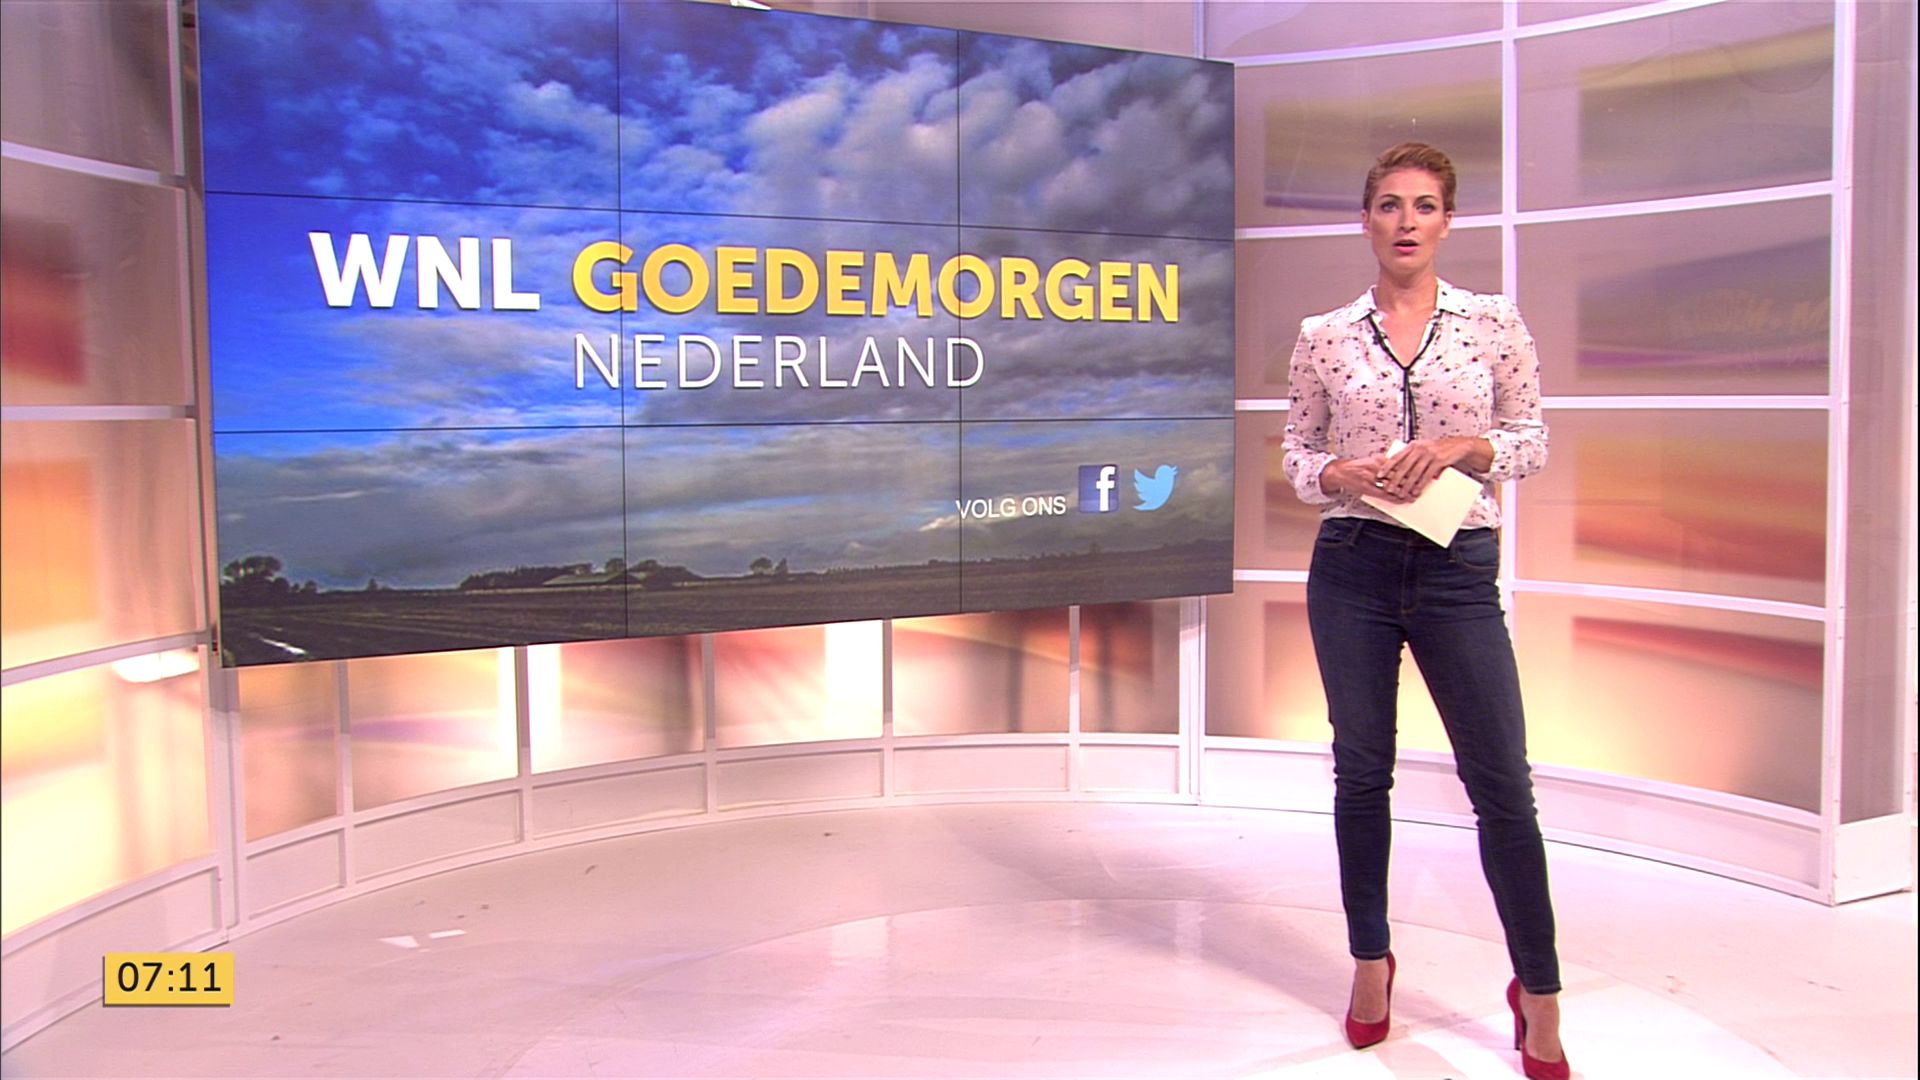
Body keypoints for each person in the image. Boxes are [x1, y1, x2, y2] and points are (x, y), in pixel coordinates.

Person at [1280, 142, 1568, 1080]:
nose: (1407, 221)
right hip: (1352, 567)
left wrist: (1460, 449)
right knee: (1362, 774)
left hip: (1456, 568)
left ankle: (1540, 992)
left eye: (1425, 205)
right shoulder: (1325, 334)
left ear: (1448, 221)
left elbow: (1531, 441)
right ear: (1366, 220)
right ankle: (1371, 964)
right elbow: (1296, 454)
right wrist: (1340, 473)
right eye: (1390, 205)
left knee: (1503, 784)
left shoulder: (1492, 322)